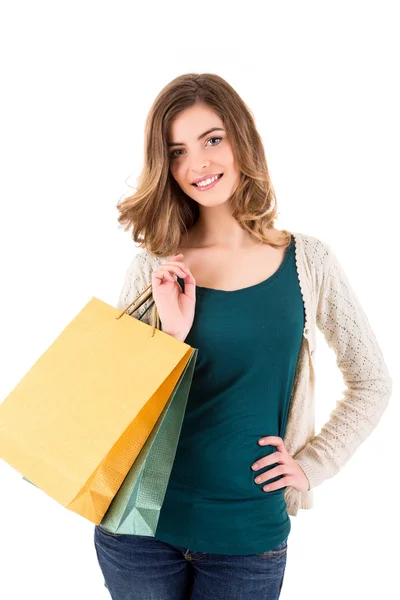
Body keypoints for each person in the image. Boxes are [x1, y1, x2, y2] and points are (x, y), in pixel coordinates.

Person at [93, 73, 392, 600]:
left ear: (241, 139)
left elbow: (372, 380)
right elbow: (114, 404)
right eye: (178, 151)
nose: (199, 164)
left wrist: (312, 465)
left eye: (212, 139)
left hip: (248, 536)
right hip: (137, 529)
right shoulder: (154, 268)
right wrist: (172, 336)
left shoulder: (308, 261)